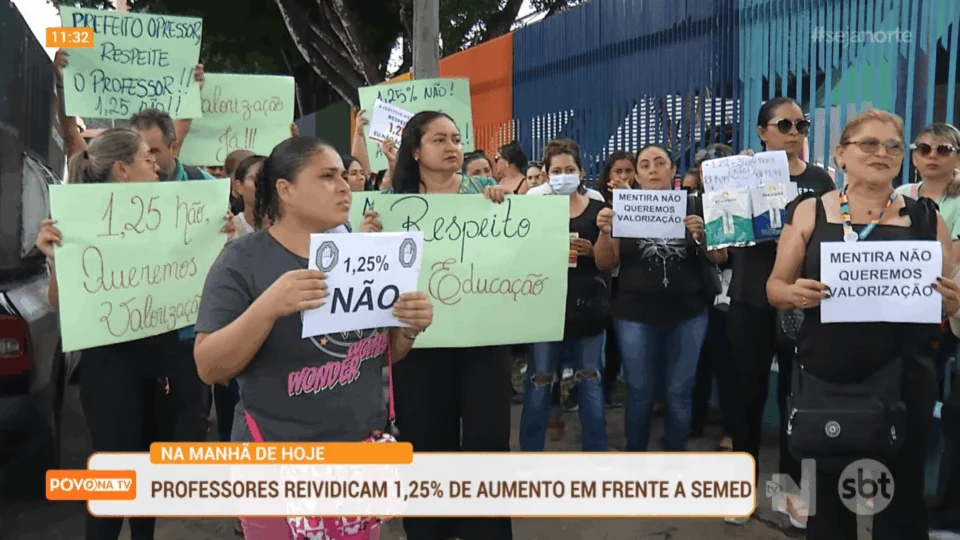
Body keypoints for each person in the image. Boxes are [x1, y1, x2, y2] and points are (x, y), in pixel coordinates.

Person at [194, 136, 434, 540]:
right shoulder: (242, 260)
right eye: (327, 176)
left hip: (356, 457)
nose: (344, 186)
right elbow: (208, 366)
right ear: (284, 190)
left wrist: (408, 328)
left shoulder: (364, 254)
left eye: (343, 175)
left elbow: (378, 354)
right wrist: (267, 307)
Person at [767, 108, 960, 539]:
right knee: (831, 509)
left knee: (902, 502)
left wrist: (951, 302)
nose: (882, 152)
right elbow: (774, 288)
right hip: (829, 380)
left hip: (905, 381)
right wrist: (794, 293)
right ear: (841, 154)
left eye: (893, 145)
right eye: (868, 143)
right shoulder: (809, 213)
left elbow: (947, 300)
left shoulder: (927, 219)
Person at [36, 128, 231, 540]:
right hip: (110, 368)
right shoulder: (77, 220)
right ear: (122, 170)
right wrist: (55, 259)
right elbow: (59, 301)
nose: (156, 164)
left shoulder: (176, 212)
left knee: (150, 472)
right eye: (146, 157)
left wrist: (220, 236)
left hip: (164, 365)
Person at [377, 111, 513, 540]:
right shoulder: (390, 202)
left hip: (483, 342)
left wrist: (502, 207)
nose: (453, 147)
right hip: (416, 346)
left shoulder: (484, 193)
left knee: (487, 443)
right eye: (440, 139)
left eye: (456, 138)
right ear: (415, 150)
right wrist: (369, 237)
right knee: (425, 443)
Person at [725, 97, 834, 528]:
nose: (794, 133)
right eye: (784, 124)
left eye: (801, 125)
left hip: (798, 304)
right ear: (762, 131)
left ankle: (790, 494)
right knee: (746, 397)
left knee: (795, 399)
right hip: (750, 298)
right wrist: (739, 183)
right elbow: (725, 240)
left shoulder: (820, 179)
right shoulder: (741, 172)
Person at [594, 144, 727, 453]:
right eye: (644, 165)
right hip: (634, 317)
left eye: (659, 163)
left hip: (688, 315)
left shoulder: (695, 205)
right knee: (639, 392)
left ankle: (674, 457)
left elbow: (720, 257)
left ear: (672, 171)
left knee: (679, 392)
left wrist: (703, 235)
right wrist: (604, 232)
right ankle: (636, 457)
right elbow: (605, 263)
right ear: (637, 175)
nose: (652, 169)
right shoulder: (623, 210)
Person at [519, 139, 608, 452]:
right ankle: (530, 454)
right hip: (545, 306)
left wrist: (592, 250)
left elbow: (609, 262)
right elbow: (519, 252)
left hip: (588, 307)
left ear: (581, 172)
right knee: (540, 378)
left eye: (569, 169)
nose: (563, 175)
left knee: (590, 378)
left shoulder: (598, 207)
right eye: (556, 171)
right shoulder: (533, 206)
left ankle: (596, 453)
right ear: (546, 175)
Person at [685, 144, 738, 452]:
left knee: (726, 363)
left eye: (720, 167)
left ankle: (731, 428)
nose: (712, 174)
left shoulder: (740, 202)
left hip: (730, 295)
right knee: (697, 361)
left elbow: (729, 253)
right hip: (696, 293)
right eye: (706, 169)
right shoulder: (692, 203)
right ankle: (694, 419)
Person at [596, 150, 638, 407]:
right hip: (608, 280)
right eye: (618, 172)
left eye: (628, 171)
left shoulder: (646, 202)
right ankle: (607, 384)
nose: (623, 176)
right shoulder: (599, 203)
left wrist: (630, 198)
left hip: (634, 280)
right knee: (609, 336)